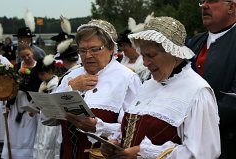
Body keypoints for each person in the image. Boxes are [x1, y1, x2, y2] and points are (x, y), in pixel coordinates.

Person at [101, 16, 221, 159]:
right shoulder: (148, 84)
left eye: (151, 55)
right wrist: (117, 142)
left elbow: (204, 153)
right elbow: (137, 129)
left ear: (174, 52)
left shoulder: (197, 92)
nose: (145, 63)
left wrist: (143, 152)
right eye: (143, 55)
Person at [55, 19, 142, 159]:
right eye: (82, 50)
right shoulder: (70, 77)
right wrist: (70, 88)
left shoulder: (127, 79)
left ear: (111, 49)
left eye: (95, 49)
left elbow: (133, 130)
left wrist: (98, 127)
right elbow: (46, 118)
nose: (88, 55)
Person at [187, 1, 236, 158]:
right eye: (203, 1)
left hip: (227, 143)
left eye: (212, 0)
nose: (204, 6)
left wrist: (194, 120)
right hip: (187, 140)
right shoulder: (193, 42)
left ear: (232, 7)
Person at [1, 44, 42, 159]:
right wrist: (9, 104)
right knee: (14, 129)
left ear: (32, 52)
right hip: (16, 102)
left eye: (28, 55)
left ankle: (27, 155)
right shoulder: (18, 66)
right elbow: (11, 86)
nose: (26, 58)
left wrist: (25, 85)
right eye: (23, 56)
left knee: (28, 130)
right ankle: (13, 154)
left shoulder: (38, 67)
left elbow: (39, 86)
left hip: (30, 104)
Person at [33, 55, 61, 159]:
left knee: (49, 145)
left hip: (52, 122)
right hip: (43, 120)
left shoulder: (56, 85)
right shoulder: (43, 85)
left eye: (42, 74)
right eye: (39, 74)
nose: (40, 76)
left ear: (50, 71)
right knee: (40, 144)